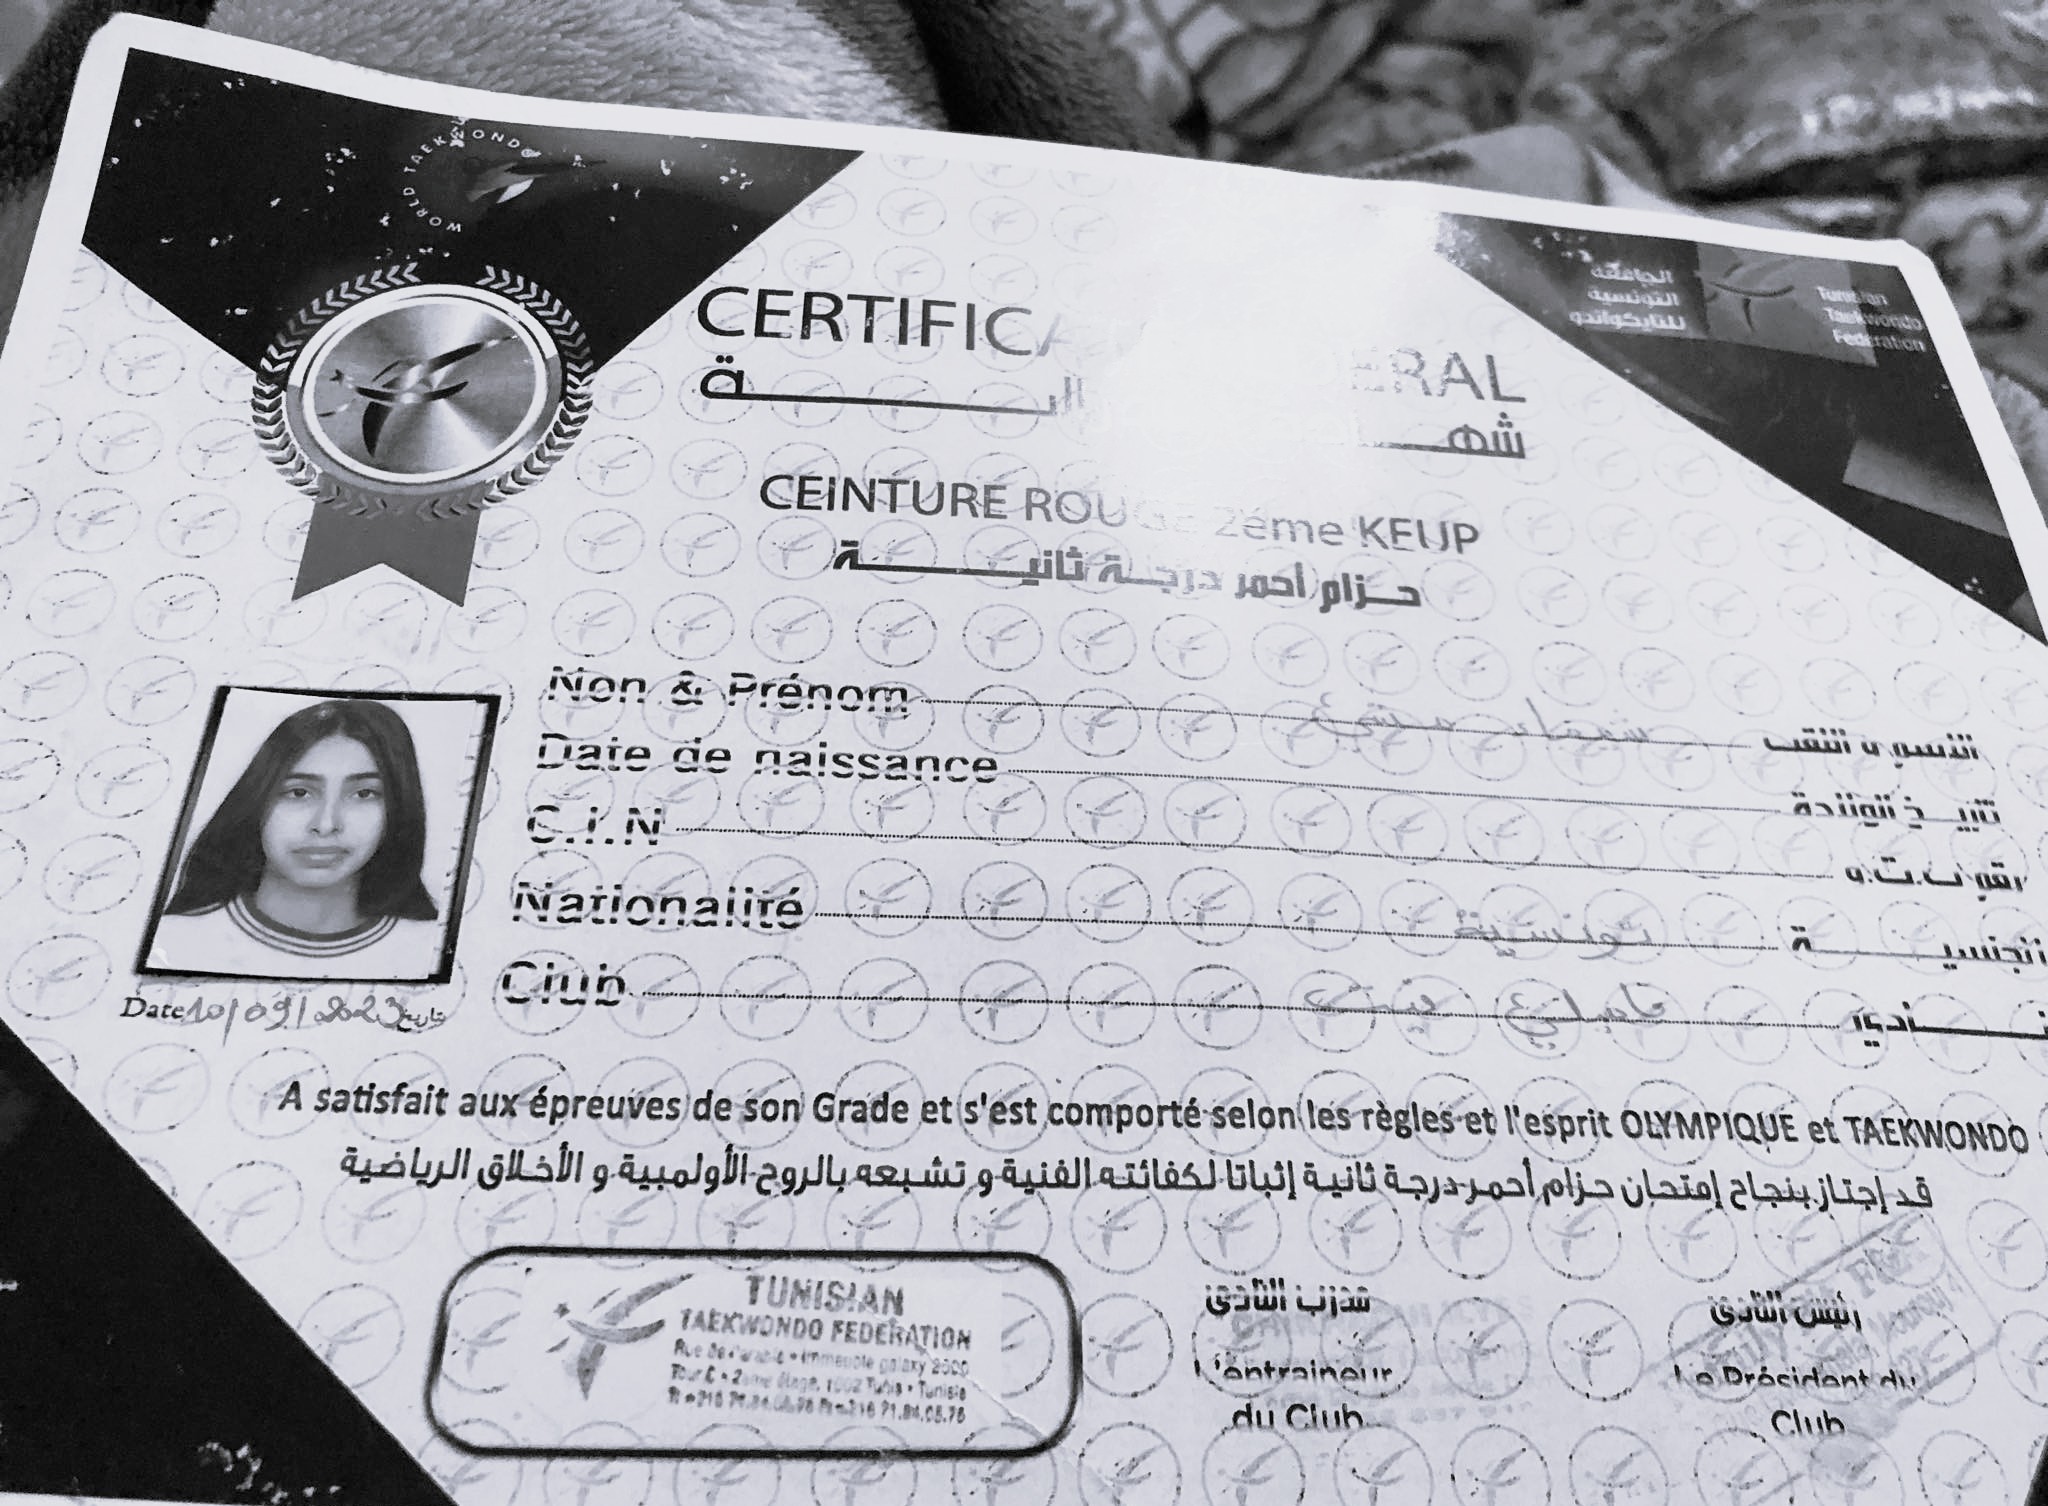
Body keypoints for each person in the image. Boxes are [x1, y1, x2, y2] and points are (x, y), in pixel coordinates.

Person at [145, 698, 446, 979]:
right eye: (299, 793)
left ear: (398, 808)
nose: (326, 825)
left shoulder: (429, 950)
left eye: (364, 794)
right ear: (256, 800)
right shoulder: (172, 942)